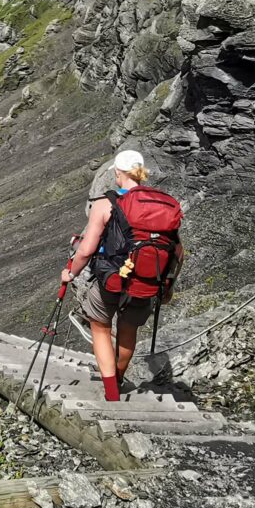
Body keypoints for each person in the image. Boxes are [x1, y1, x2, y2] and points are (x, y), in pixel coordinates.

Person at [60, 150, 184, 402]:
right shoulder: (164, 205)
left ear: (118, 173)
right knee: (128, 330)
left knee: (101, 326)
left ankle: (111, 389)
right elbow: (178, 252)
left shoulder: (106, 204)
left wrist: (69, 274)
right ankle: (118, 376)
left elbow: (86, 250)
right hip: (148, 281)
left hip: (112, 279)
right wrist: (168, 286)